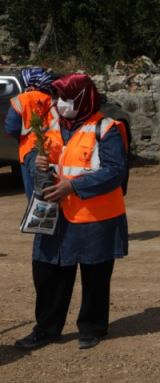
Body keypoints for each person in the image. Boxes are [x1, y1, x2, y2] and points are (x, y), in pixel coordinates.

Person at [14, 73, 129, 351]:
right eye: (57, 97)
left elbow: (114, 171)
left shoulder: (106, 127)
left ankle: (92, 327)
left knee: (95, 275)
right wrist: (35, 162)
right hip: (53, 214)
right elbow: (31, 155)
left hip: (93, 218)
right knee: (47, 272)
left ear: (82, 98)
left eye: (65, 98)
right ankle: (46, 329)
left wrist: (72, 187)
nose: (59, 103)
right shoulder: (50, 123)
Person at [3, 67, 61, 198]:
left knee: (36, 194)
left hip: (30, 150)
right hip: (55, 148)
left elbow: (11, 128)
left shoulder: (21, 99)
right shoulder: (53, 99)